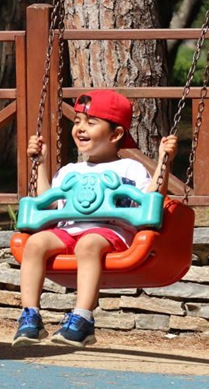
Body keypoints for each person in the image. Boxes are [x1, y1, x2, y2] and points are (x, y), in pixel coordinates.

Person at [12, 90, 177, 348]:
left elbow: (151, 199)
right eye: (77, 121)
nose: (80, 128)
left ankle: (83, 318)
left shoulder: (129, 168)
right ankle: (30, 315)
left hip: (110, 233)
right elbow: (49, 203)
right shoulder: (70, 170)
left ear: (115, 134)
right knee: (34, 244)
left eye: (91, 122)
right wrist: (40, 163)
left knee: (87, 244)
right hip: (69, 231)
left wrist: (164, 163)